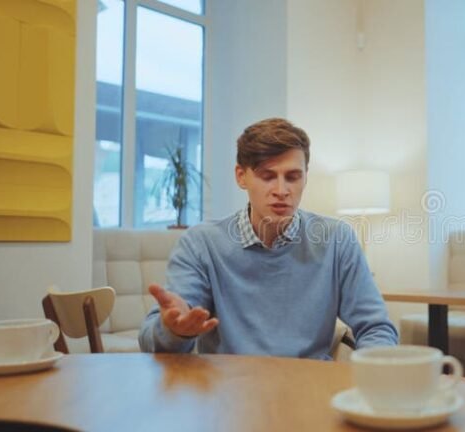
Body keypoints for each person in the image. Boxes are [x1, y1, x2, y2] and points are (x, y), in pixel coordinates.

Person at [139, 118, 398, 359]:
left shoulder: (337, 239)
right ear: (241, 176)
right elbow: (151, 341)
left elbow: (376, 328)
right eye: (267, 176)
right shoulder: (201, 244)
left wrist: (376, 374)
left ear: (305, 177)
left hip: (309, 390)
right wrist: (176, 331)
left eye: (293, 177)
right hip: (227, 394)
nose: (282, 191)